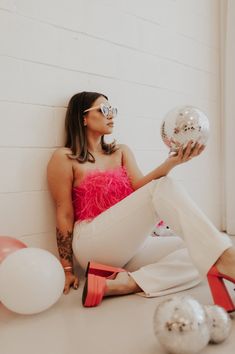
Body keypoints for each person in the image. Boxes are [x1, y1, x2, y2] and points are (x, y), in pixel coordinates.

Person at [47, 91, 235, 311]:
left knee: (199, 250)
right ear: (83, 117)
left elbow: (140, 188)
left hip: (126, 246)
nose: (112, 115)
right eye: (104, 110)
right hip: (91, 241)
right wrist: (67, 269)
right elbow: (64, 213)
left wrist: (171, 163)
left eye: (113, 110)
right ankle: (228, 260)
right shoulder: (64, 157)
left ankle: (122, 284)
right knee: (166, 193)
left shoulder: (120, 152)